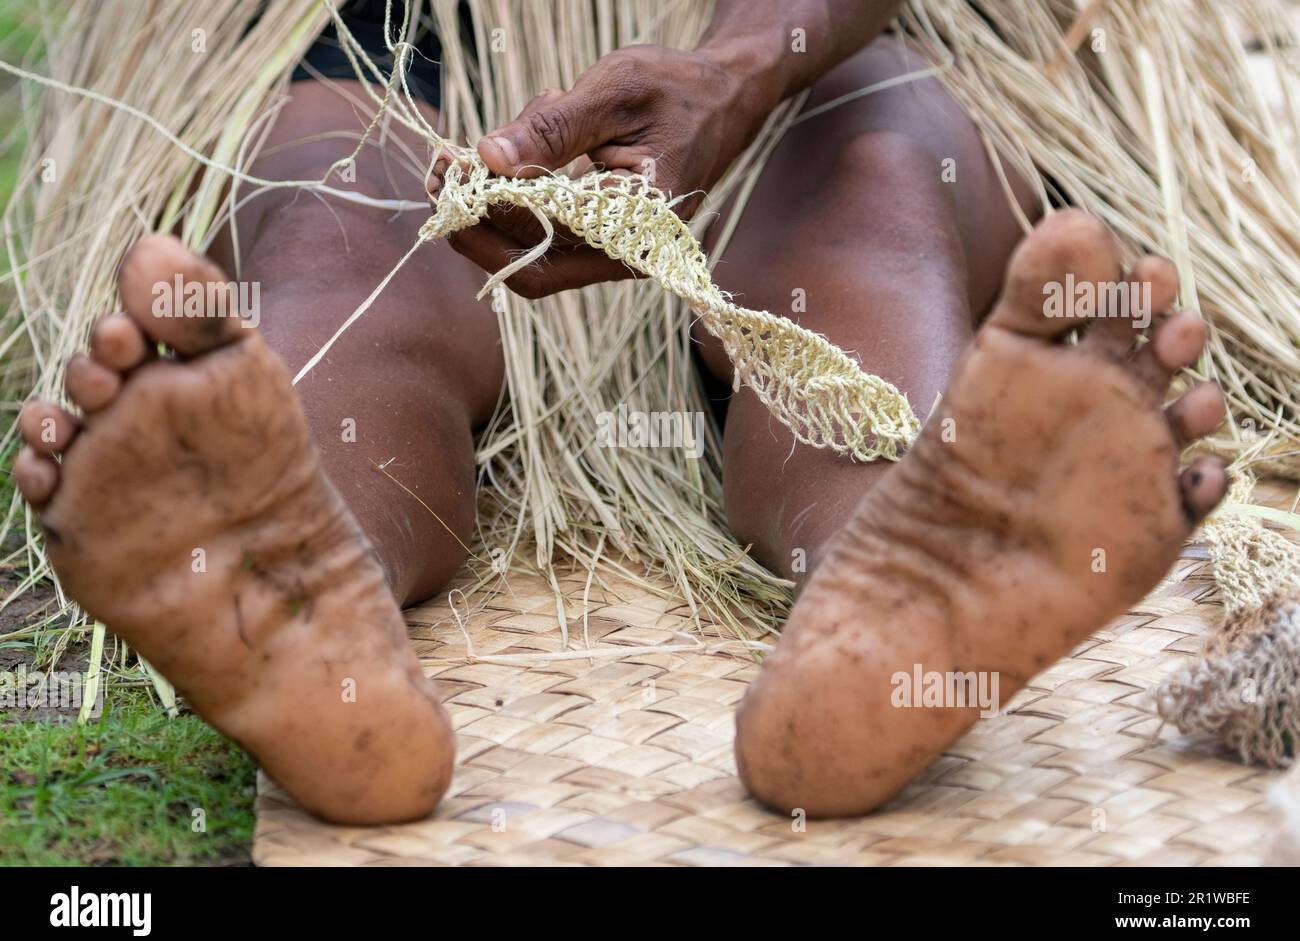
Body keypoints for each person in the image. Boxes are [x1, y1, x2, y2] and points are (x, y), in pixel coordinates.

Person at [11, 0, 1227, 823]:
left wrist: (739, 65)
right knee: (340, 214)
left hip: (818, 24)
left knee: (868, 165)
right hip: (371, 29)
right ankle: (302, 556)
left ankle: (897, 574)